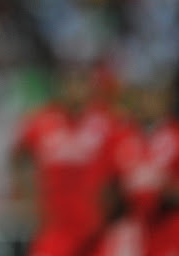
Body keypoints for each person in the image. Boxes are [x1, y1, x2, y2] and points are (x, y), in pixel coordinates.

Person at [12, 64, 122, 256]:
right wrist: (28, 194)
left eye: (80, 84)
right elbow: (18, 156)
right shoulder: (44, 122)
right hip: (55, 227)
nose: (75, 90)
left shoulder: (106, 124)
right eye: (70, 84)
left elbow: (121, 174)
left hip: (96, 231)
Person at [92, 83, 179, 256]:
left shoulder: (175, 137)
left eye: (154, 96)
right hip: (129, 227)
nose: (148, 103)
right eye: (143, 96)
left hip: (169, 227)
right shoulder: (118, 137)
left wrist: (164, 193)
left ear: (166, 100)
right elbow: (105, 185)